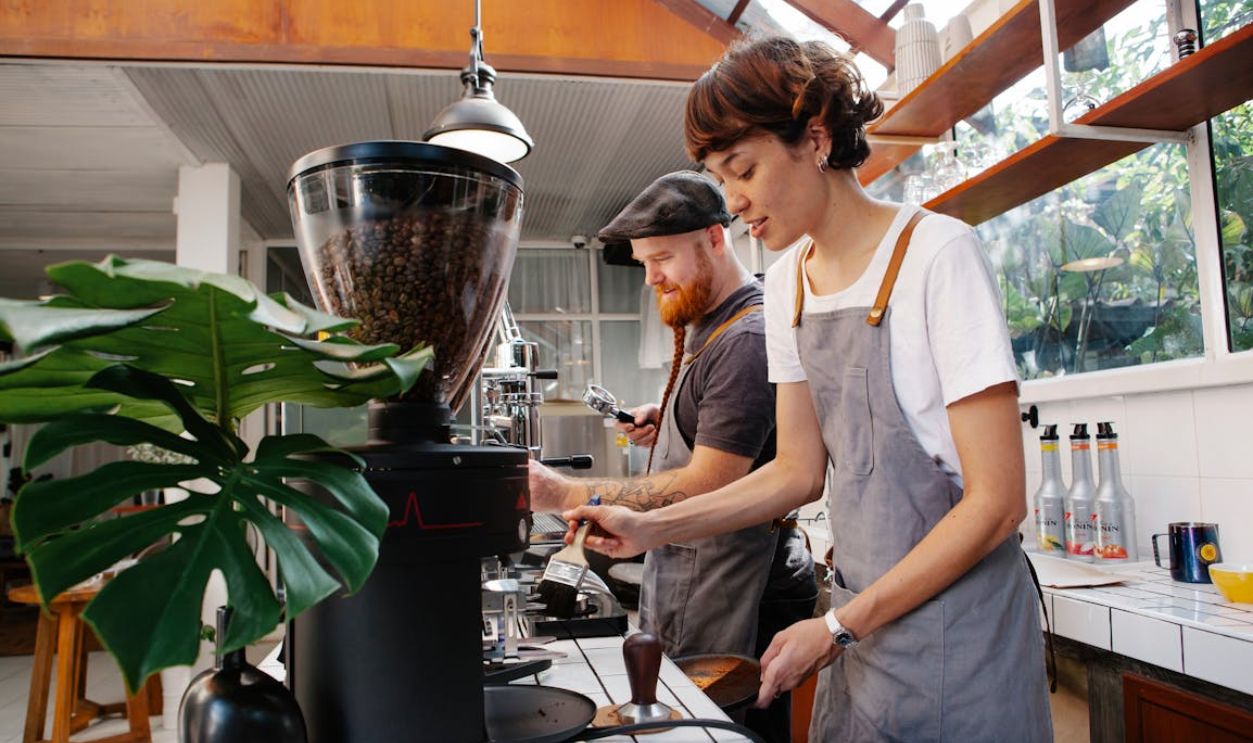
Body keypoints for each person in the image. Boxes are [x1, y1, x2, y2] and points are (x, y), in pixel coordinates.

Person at [562, 37, 1052, 742]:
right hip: (861, 623)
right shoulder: (787, 282)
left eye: (744, 169)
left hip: (959, 627)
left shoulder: (937, 255)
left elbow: (998, 502)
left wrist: (836, 626)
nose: (733, 201)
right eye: (719, 176)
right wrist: (648, 526)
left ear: (814, 138)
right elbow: (795, 472)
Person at [529, 171, 817, 742]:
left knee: (717, 733)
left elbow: (712, 481)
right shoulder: (715, 324)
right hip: (697, 575)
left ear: (715, 238)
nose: (651, 277)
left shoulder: (744, 338)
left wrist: (567, 492)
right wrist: (671, 423)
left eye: (661, 258)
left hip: (737, 582)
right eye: (642, 263)